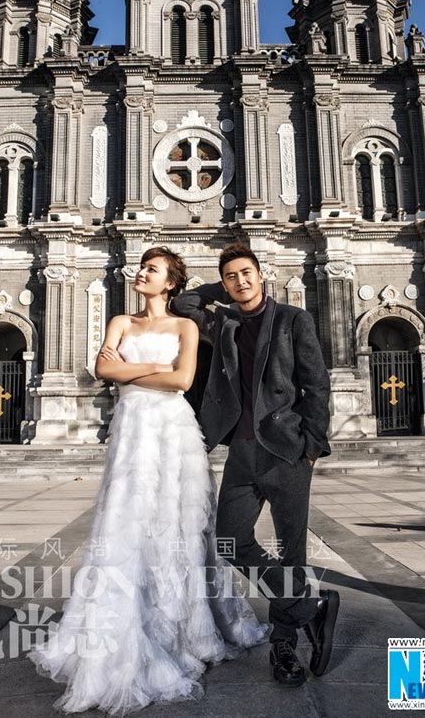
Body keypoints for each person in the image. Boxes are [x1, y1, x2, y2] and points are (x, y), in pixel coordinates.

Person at [28, 246, 268, 715]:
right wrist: (154, 369)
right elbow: (103, 370)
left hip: (174, 433)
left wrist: (135, 373)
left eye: (152, 270)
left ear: (171, 283)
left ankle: (184, 627)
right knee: (127, 520)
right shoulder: (120, 320)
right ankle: (124, 621)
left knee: (178, 524)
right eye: (142, 267)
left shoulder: (185, 326)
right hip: (133, 429)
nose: (141, 273)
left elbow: (182, 381)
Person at [170, 241, 339, 687]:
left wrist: (311, 443)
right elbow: (182, 302)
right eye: (231, 276)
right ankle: (311, 609)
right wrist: (219, 289)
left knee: (291, 552)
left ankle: (283, 649)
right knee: (229, 541)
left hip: (286, 450)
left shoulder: (292, 320)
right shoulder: (222, 321)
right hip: (241, 452)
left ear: (262, 274)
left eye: (247, 273)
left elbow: (316, 385)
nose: (240, 281)